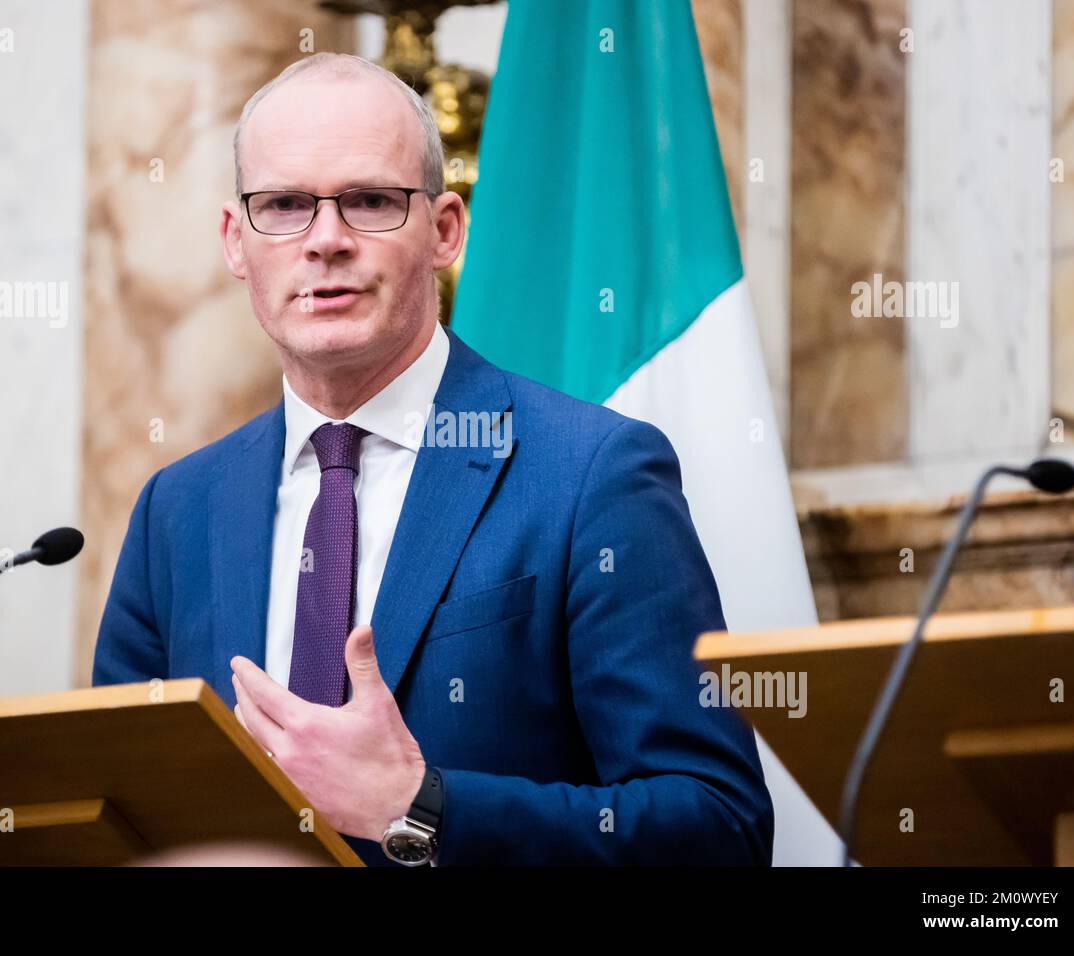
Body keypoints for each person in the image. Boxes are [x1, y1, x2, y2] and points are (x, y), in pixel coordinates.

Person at [93, 52, 773, 866]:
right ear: (236, 242)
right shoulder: (177, 510)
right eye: (284, 206)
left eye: (371, 201)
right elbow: (120, 817)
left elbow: (718, 827)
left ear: (445, 230)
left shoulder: (594, 475)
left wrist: (419, 807)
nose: (327, 242)